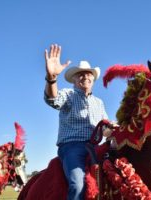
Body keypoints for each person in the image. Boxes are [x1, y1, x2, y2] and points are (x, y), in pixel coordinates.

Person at [43, 44, 109, 200]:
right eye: (80, 75)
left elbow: (105, 127)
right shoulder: (69, 95)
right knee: (78, 185)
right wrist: (52, 79)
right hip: (72, 146)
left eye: (88, 74)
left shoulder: (99, 102)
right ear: (74, 80)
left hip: (96, 147)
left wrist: (114, 129)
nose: (85, 77)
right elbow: (53, 99)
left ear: (93, 78)